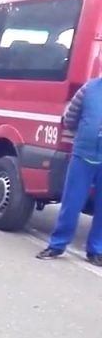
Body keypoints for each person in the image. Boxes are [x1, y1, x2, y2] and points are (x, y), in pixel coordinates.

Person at [35, 75, 102, 266]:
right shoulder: (89, 89)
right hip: (83, 155)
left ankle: (97, 250)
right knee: (71, 203)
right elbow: (70, 117)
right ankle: (57, 245)